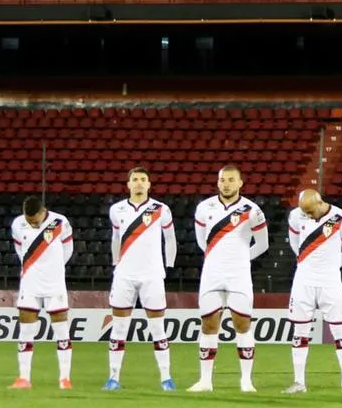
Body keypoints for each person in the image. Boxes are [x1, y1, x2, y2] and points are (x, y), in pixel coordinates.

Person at [189, 165, 269, 393]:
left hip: (239, 276)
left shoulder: (252, 210)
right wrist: (216, 259)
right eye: (223, 180)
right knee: (208, 324)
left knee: (242, 324)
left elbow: (263, 244)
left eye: (231, 180)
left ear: (240, 183)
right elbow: (201, 240)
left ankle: (246, 381)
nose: (226, 184)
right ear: (218, 182)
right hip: (212, 274)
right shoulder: (204, 208)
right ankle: (205, 381)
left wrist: (243, 259)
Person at [105, 167, 177, 391]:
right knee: (118, 329)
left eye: (142, 180)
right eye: (134, 179)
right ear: (128, 184)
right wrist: (116, 263)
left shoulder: (161, 209)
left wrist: (169, 266)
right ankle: (113, 378)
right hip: (124, 275)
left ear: (149, 184)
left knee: (158, 329)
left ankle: (166, 378)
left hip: (152, 275)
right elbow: (115, 237)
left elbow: (170, 238)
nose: (138, 183)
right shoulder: (116, 210)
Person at [284, 189, 342, 394]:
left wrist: (331, 267)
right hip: (303, 282)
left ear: (319, 203)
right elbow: (295, 244)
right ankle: (299, 383)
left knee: (340, 332)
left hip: (330, 283)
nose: (307, 215)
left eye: (309, 211)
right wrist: (308, 264)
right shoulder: (295, 216)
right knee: (300, 333)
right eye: (303, 211)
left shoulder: (341, 218)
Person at [8, 196, 74, 390]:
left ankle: (64, 378)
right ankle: (23, 378)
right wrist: (34, 268)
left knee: (62, 331)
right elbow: (20, 250)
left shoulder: (60, 222)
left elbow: (68, 250)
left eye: (34, 220)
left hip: (54, 284)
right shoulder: (18, 224)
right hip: (30, 283)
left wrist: (53, 269)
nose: (31, 223)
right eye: (28, 220)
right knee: (26, 331)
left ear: (42, 212)